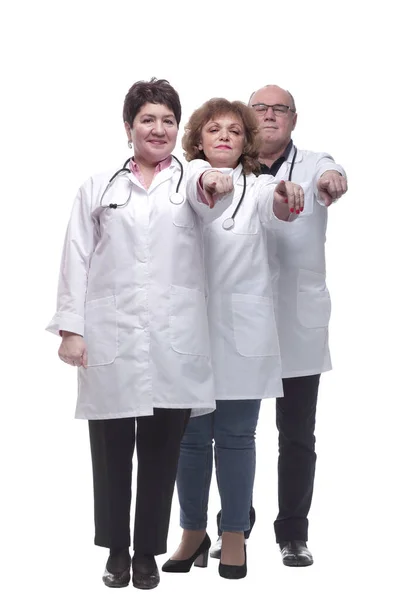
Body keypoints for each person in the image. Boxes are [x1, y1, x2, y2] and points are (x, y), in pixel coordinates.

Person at [46, 78, 233, 590]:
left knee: (159, 452)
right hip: (110, 337)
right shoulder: (98, 185)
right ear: (129, 128)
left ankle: (147, 553)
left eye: (169, 121)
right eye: (148, 119)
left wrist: (218, 181)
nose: (159, 129)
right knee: (110, 452)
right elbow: (76, 258)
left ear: (178, 129)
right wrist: (71, 329)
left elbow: (213, 192)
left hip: (173, 342)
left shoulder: (189, 180)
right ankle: (115, 551)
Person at [161, 98, 304, 579]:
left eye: (234, 131)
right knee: (191, 439)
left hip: (244, 335)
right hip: (189, 333)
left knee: (238, 438)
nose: (224, 135)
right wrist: (205, 181)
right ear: (197, 138)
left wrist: (287, 192)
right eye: (213, 129)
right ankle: (191, 531)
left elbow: (280, 207)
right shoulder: (179, 183)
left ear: (247, 142)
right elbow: (197, 190)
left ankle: (235, 534)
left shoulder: (259, 187)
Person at [210, 85, 348, 567]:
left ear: (293, 119)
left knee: (296, 434)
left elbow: (333, 172)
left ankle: (293, 532)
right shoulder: (225, 164)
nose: (269, 116)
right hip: (237, 321)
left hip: (294, 319)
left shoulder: (311, 165)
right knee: (231, 431)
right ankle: (234, 525)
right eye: (260, 109)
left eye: (280, 109)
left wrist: (333, 179)